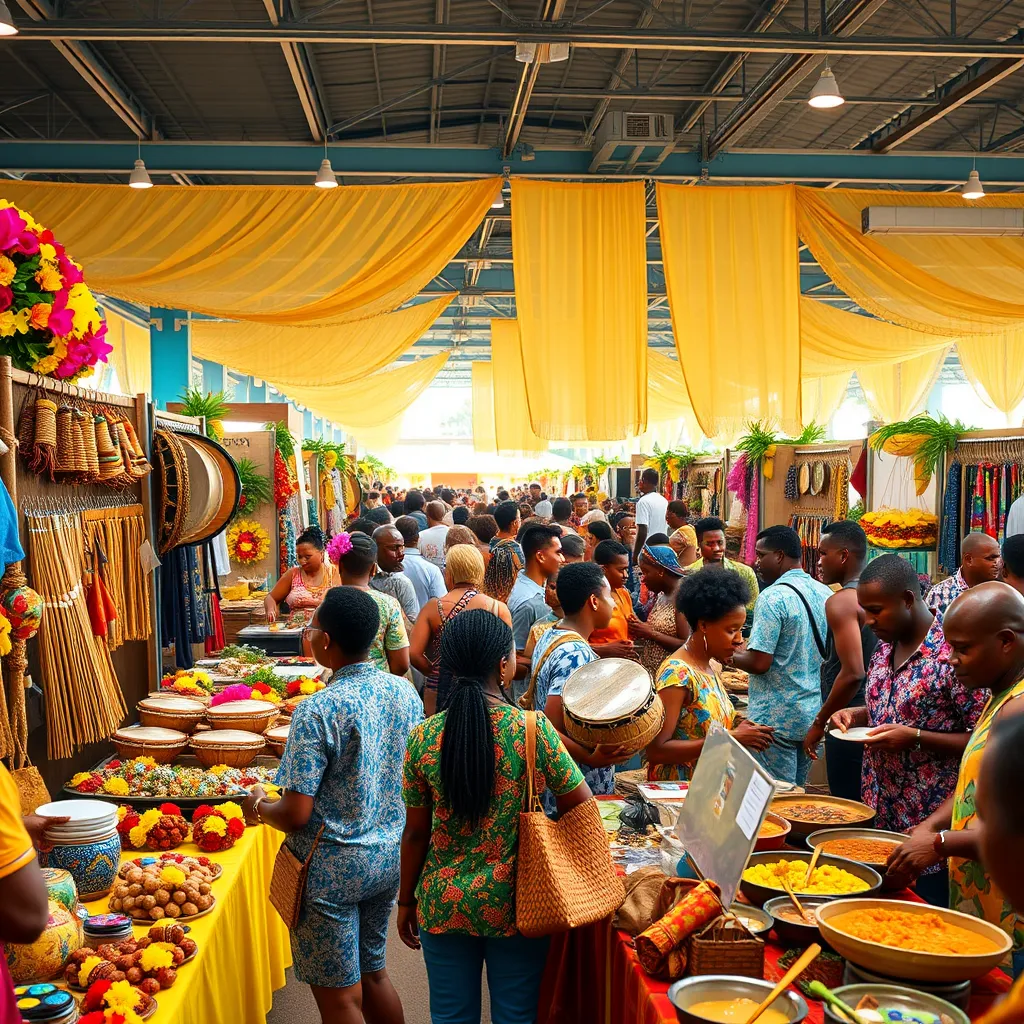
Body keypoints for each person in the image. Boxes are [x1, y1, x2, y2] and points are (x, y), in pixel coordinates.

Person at [398, 611, 591, 1024]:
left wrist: (405, 901)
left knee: (450, 1017)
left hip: (442, 900)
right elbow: (582, 802)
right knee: (516, 1015)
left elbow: (415, 834)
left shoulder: (424, 736)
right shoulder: (533, 729)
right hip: (520, 901)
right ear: (505, 666)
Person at [243, 588, 422, 1024]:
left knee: (341, 998)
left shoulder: (319, 709)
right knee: (374, 973)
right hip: (387, 857)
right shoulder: (405, 694)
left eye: (312, 629)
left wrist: (260, 805)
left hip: (331, 868)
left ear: (325, 641)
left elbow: (296, 813)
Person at [830, 553, 987, 906]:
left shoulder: (954, 654)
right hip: (879, 816)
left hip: (929, 829)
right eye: (864, 610)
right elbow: (888, 708)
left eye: (875, 610)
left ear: (906, 600)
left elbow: (983, 739)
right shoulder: (885, 647)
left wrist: (915, 739)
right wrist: (856, 715)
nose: (867, 621)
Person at [884, 583, 1024, 967]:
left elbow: (1016, 831)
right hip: (980, 899)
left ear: (1007, 642)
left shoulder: (1019, 711)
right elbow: (970, 788)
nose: (949, 659)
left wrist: (940, 842)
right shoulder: (999, 696)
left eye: (963, 648)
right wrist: (926, 828)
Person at [647, 568, 774, 781]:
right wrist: (732, 738)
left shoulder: (710, 666)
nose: (739, 640)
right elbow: (657, 750)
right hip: (679, 793)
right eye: (731, 630)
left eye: (741, 630)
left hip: (708, 788)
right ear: (703, 624)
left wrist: (738, 728)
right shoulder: (677, 675)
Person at [524, 562, 631, 812]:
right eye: (608, 597)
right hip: (574, 784)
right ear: (594, 602)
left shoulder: (551, 634)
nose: (614, 604)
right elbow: (548, 725)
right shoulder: (576, 653)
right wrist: (589, 757)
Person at [731, 525, 830, 786]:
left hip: (773, 722)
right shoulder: (825, 593)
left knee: (774, 801)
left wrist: (726, 655)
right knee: (797, 798)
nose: (756, 562)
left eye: (761, 555)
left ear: (779, 555)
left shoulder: (772, 597)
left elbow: (759, 662)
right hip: (810, 714)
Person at [802, 520, 878, 801]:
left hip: (849, 719)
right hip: (876, 713)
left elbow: (853, 672)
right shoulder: (876, 594)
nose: (818, 561)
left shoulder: (842, 602)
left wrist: (819, 722)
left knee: (848, 806)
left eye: (823, 553)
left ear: (844, 556)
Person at [410, 544, 511, 717]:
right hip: (487, 694)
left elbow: (413, 653)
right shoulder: (498, 608)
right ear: (480, 571)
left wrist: (436, 672)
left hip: (439, 693)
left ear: (449, 574)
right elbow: (509, 669)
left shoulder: (433, 608)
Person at [331, 532, 410, 677]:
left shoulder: (327, 603)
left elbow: (317, 654)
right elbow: (401, 664)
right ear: (374, 569)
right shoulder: (389, 605)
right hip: (381, 686)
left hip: (337, 685)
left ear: (340, 566)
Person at [507, 524, 564, 675]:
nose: (562, 559)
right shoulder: (527, 602)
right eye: (558, 553)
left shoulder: (536, 583)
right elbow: (515, 659)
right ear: (540, 556)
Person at [629, 544, 688, 676]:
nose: (643, 579)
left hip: (672, 678)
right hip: (655, 674)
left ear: (661, 571)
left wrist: (650, 633)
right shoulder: (662, 594)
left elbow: (687, 645)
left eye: (646, 572)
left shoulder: (683, 597)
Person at [263, 526, 340, 626]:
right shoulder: (293, 574)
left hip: (325, 631)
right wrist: (270, 610)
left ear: (321, 553)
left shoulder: (335, 573)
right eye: (299, 557)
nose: (302, 561)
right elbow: (271, 597)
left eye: (307, 557)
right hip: (294, 631)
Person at [689, 517, 759, 617]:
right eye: (709, 544)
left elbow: (752, 609)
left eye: (720, 542)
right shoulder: (689, 574)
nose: (716, 548)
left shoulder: (745, 572)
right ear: (699, 544)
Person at [926, 532, 1002, 623]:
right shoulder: (940, 593)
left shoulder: (1003, 591)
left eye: (998, 557)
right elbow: (933, 634)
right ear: (969, 559)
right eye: (990, 558)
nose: (997, 563)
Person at [589, 539, 637, 660]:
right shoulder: (590, 598)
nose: (626, 575)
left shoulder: (624, 593)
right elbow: (574, 643)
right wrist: (605, 649)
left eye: (627, 569)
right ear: (603, 569)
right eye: (621, 570)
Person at [394, 515, 446, 614]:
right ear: (418, 539)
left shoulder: (385, 567)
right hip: (422, 626)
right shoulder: (431, 570)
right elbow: (441, 606)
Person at [370, 526, 419, 623]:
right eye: (394, 548)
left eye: (402, 547)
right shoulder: (365, 573)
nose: (401, 554)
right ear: (376, 548)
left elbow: (411, 624)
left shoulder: (401, 582)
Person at [633, 468, 668, 563]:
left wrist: (635, 555)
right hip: (663, 548)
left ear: (643, 481)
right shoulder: (664, 500)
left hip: (648, 551)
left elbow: (642, 530)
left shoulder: (643, 502)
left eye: (640, 481)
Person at [418, 501, 450, 570]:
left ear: (427, 516)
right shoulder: (451, 532)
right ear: (443, 515)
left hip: (429, 575)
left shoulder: (422, 535)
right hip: (449, 575)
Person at [666, 500, 698, 568]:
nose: (667, 520)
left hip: (683, 571)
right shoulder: (689, 528)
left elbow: (666, 550)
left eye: (669, 516)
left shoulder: (684, 531)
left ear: (679, 516)